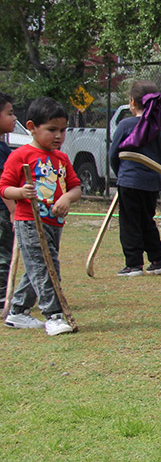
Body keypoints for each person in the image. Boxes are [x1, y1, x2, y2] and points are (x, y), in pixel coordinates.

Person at [0, 97, 82, 336]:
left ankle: (17, 311)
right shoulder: (21, 156)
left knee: (39, 266)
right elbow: (4, 187)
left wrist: (66, 198)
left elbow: (75, 187)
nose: (58, 136)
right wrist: (20, 192)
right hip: (29, 221)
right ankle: (53, 315)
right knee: (46, 266)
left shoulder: (62, 159)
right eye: (51, 130)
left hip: (53, 222)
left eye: (62, 130)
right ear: (32, 127)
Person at [109, 81, 161, 276]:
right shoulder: (160, 127)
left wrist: (121, 174)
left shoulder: (126, 125)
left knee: (129, 222)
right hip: (152, 182)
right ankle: (158, 260)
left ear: (132, 102)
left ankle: (134, 264)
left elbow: (113, 154)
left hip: (130, 181)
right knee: (147, 220)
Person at [0, 92, 17, 309]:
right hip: (3, 210)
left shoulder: (4, 148)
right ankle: (2, 295)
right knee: (3, 252)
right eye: (9, 113)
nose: (14, 118)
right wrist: (13, 211)